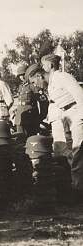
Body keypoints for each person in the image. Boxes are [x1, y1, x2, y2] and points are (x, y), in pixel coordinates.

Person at [42, 54, 83, 193]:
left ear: (50, 65)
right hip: (65, 115)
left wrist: (81, 117)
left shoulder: (63, 77)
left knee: (78, 150)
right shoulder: (52, 81)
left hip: (75, 112)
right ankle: (76, 185)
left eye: (44, 64)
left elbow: (80, 95)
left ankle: (78, 188)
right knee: (71, 151)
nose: (42, 67)